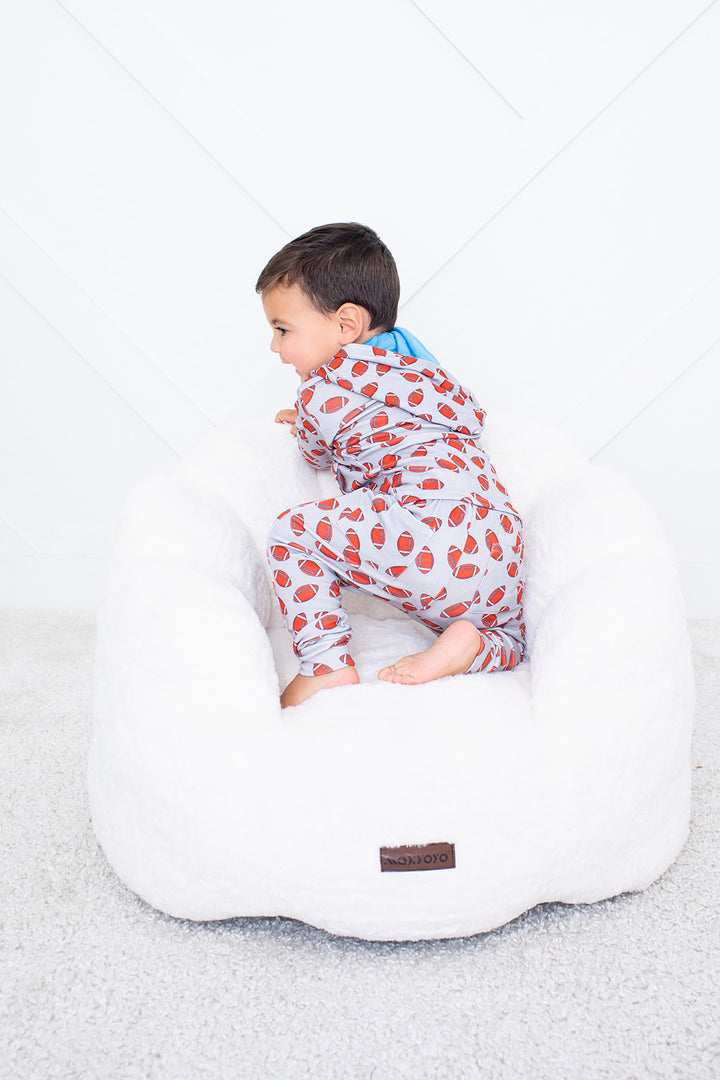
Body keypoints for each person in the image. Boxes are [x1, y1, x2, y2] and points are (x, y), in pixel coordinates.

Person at [257, 222, 525, 708]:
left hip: (427, 531)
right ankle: (473, 644)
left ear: (346, 325)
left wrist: (305, 420)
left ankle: (325, 666)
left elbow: (315, 452)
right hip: (499, 548)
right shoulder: (427, 373)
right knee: (512, 637)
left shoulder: (324, 387)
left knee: (291, 535)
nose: (275, 347)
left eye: (282, 330)